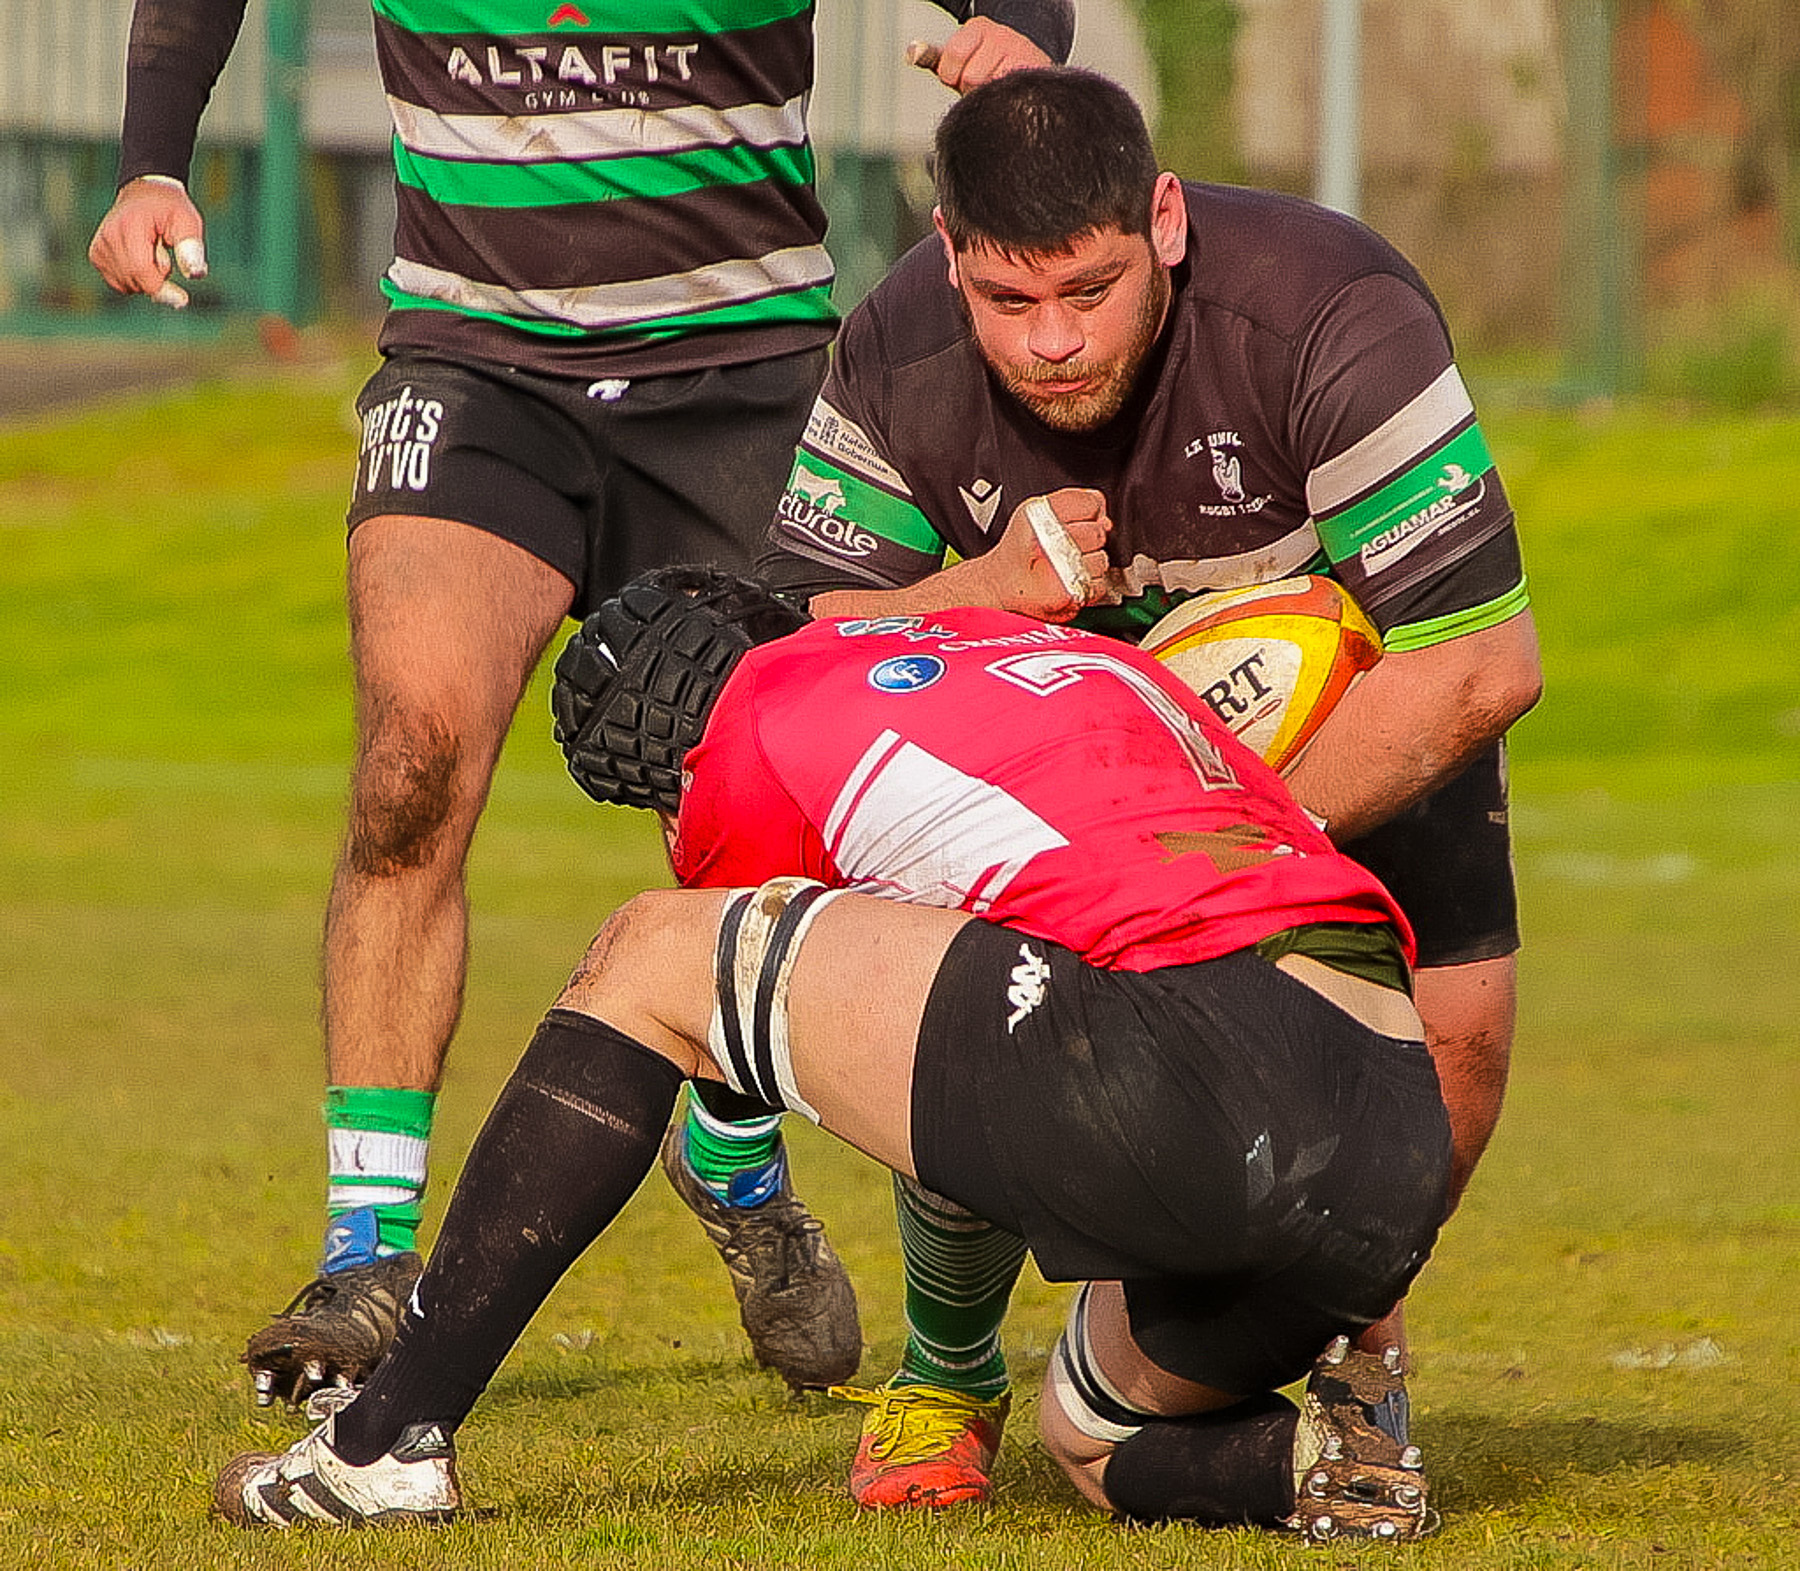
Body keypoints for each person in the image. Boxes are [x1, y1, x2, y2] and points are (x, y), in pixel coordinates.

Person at [87, 0, 1074, 1405]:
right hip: (479, 363)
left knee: (788, 813)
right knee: (408, 761)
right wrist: (151, 159)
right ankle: (367, 1249)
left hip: (745, 368)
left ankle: (730, 1145)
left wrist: (1022, 34)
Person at [214, 565, 1451, 1543]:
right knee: (1091, 1436)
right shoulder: (1050, 657)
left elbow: (708, 1012)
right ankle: (1328, 1452)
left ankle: (384, 1445)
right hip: (1395, 1135)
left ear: (667, 767)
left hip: (1195, 1061)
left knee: (649, 954)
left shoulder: (752, 727)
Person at [703, 65, 1541, 1507]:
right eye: (1009, 300)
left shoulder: (1328, 308)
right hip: (1043, 718)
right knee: (974, 997)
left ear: (1162, 217)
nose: (1051, 342)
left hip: (1331, 722)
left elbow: (1480, 662)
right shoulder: (900, 340)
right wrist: (988, 588)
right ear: (950, 246)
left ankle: (1336, 1344)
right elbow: (794, 658)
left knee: (1455, 1037)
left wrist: (1228, 847)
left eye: (1088, 290)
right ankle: (948, 1362)